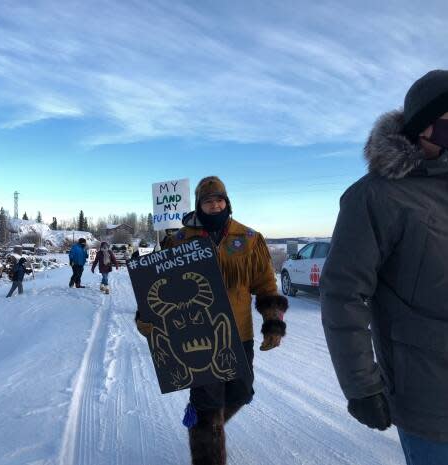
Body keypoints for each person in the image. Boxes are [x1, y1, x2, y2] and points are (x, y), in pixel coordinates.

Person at [321, 70, 448, 465]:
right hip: (429, 397)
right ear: (424, 125)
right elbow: (343, 292)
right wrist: (361, 385)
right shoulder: (375, 196)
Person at [136, 176, 288, 465]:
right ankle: (207, 434)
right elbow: (155, 281)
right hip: (196, 335)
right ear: (199, 205)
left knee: (242, 392)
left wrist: (273, 323)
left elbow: (267, 286)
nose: (215, 204)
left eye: (219, 199)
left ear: (227, 202)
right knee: (208, 408)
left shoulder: (249, 239)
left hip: (238, 333)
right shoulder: (179, 239)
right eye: (208, 201)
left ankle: (207, 421)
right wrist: (148, 318)